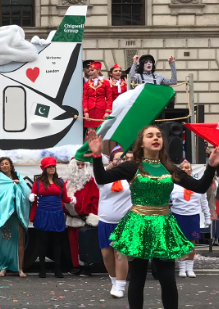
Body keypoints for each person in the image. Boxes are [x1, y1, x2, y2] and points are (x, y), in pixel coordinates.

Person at [88, 126, 219, 309]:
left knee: (167, 280)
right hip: (138, 225)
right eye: (150, 136)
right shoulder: (131, 166)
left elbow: (199, 187)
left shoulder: (169, 167)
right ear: (141, 143)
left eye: (158, 135)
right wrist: (96, 155)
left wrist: (211, 166)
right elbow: (102, 178)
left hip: (163, 225)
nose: (155, 138)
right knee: (138, 279)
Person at [29, 156, 75, 278]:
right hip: (43, 214)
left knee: (57, 243)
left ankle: (57, 269)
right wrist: (32, 196)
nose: (52, 168)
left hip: (57, 214)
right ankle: (42, 269)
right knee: (43, 242)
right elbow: (33, 194)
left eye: (53, 166)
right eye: (49, 167)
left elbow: (64, 198)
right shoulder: (38, 182)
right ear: (44, 168)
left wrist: (72, 199)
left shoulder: (60, 182)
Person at [0, 157, 30, 277]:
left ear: (11, 165)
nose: (4, 166)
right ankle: (3, 267)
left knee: (19, 240)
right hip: (5, 215)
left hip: (17, 214)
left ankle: (20, 268)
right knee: (4, 240)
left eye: (6, 163)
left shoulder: (18, 176)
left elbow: (26, 193)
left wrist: (18, 185)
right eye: (2, 164)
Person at [97, 147, 133, 299]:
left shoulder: (131, 178)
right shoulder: (102, 178)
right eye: (118, 158)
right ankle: (114, 281)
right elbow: (98, 176)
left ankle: (120, 285)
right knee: (106, 255)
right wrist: (108, 168)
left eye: (124, 159)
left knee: (120, 254)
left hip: (123, 222)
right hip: (105, 221)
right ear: (111, 161)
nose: (122, 161)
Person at [171, 160, 211, 278]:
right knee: (180, 242)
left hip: (193, 216)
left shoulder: (196, 185)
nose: (185, 169)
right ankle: (182, 268)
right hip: (178, 215)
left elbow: (204, 203)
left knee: (191, 243)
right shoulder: (174, 185)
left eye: (187, 167)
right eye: (182, 168)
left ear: (191, 170)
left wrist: (207, 217)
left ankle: (190, 268)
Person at [63, 159, 99, 276]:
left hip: (84, 218)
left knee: (84, 243)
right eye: (78, 164)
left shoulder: (90, 181)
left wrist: (93, 216)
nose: (80, 167)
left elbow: (95, 199)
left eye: (82, 164)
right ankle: (76, 265)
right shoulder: (68, 182)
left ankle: (86, 266)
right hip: (71, 217)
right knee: (73, 243)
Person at [83, 62, 113, 133]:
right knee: (90, 133)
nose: (90, 72)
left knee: (101, 133)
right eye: (89, 70)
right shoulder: (87, 84)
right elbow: (84, 98)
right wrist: (86, 111)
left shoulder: (106, 82)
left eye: (92, 70)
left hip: (101, 111)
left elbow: (109, 98)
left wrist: (107, 112)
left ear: (98, 70)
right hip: (90, 111)